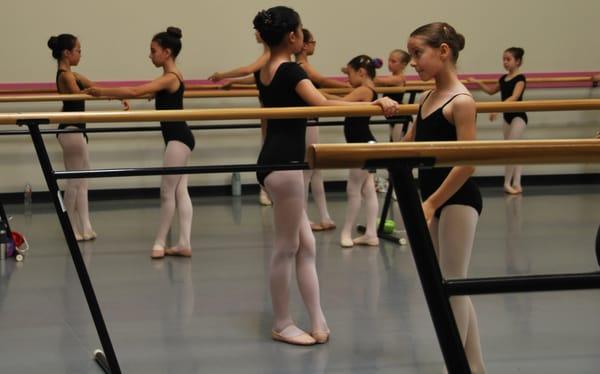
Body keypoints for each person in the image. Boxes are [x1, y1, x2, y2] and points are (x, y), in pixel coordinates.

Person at [252, 6, 398, 346]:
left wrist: (363, 103)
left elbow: (322, 98)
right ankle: (282, 322)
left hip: (277, 161)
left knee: (307, 245)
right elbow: (322, 104)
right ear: (293, 37)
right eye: (302, 31)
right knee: (287, 248)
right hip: (285, 165)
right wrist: (374, 105)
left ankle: (317, 320)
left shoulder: (268, 69)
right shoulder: (289, 70)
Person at [405, 22, 486, 373]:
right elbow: (408, 145)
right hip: (434, 198)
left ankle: (453, 367)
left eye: (417, 54)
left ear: (443, 51)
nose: (413, 63)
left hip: (457, 199)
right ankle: (474, 366)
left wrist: (434, 201)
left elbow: (468, 162)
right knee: (451, 285)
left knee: (452, 283)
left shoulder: (461, 101)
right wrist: (388, 108)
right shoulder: (427, 98)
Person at [85, 27, 195, 259]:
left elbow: (137, 90)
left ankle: (159, 242)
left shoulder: (169, 78)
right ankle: (184, 243)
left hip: (177, 139)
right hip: (181, 138)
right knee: (180, 191)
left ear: (167, 52)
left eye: (153, 51)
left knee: (167, 192)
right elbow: (146, 92)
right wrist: (123, 95)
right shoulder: (173, 76)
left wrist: (101, 92)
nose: (150, 55)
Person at [48, 34, 107, 242]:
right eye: (78, 50)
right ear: (67, 53)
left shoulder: (74, 74)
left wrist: (118, 96)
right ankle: (70, 228)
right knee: (73, 182)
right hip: (70, 130)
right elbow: (78, 94)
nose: (81, 54)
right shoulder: (65, 75)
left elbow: (95, 88)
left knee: (83, 181)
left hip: (78, 130)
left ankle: (86, 226)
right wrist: (90, 90)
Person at [212, 32, 273, 206]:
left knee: (270, 146)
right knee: (267, 144)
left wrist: (223, 75)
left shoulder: (269, 55)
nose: (255, 33)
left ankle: (266, 188)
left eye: (258, 30)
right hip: (268, 106)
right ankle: (265, 188)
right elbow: (256, 77)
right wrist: (234, 83)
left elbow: (248, 70)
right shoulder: (267, 56)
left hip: (272, 106)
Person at [325, 55, 381, 248]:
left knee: (353, 189)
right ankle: (371, 234)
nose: (347, 79)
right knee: (368, 190)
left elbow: (341, 103)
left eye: (350, 74)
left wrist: (318, 96)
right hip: (367, 142)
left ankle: (346, 232)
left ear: (361, 72)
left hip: (362, 145)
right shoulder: (368, 89)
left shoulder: (364, 90)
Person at [294, 28, 340, 232]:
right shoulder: (302, 66)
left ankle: (325, 216)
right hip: (307, 121)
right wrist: (351, 87)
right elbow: (322, 82)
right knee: (307, 171)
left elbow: (320, 91)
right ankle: (302, 218)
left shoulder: (304, 66)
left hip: (312, 119)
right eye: (312, 42)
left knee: (316, 170)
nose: (314, 45)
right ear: (304, 45)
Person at [469, 47, 527, 194]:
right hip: (507, 117)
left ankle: (509, 183)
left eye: (508, 59)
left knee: (512, 150)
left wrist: (498, 108)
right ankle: (517, 184)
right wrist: (477, 82)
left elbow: (514, 97)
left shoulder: (520, 79)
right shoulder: (503, 79)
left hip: (518, 117)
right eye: (504, 59)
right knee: (515, 151)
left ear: (518, 61)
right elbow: (490, 91)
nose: (505, 62)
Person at [375, 49, 413, 142]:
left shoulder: (399, 78)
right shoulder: (392, 77)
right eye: (389, 60)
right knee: (393, 142)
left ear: (403, 64)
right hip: (394, 117)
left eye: (393, 61)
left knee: (399, 146)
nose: (389, 63)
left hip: (401, 117)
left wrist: (367, 73)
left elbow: (377, 81)